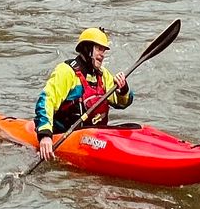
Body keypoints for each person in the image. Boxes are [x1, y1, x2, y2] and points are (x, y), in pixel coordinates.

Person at [35, 27, 132, 158]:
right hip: (65, 135)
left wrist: (123, 89)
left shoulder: (103, 75)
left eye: (104, 50)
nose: (102, 54)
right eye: (99, 49)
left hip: (96, 140)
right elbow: (46, 101)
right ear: (87, 48)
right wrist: (45, 136)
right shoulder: (66, 71)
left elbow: (121, 103)